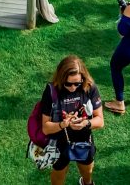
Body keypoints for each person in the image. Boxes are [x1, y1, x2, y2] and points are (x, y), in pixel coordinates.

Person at [40, 55, 105, 185]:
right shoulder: (51, 91)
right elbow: (46, 128)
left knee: (87, 171)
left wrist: (86, 123)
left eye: (77, 83)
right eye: (68, 84)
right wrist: (63, 124)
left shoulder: (89, 87)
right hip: (59, 141)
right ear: (61, 77)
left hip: (84, 139)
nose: (73, 87)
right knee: (59, 171)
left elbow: (100, 121)